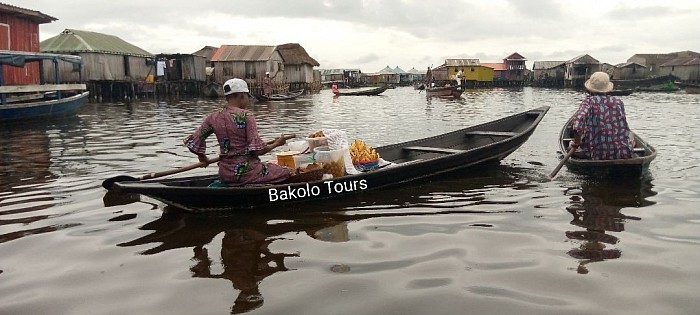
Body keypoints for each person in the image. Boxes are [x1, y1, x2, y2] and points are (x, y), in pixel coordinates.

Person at [184, 78, 293, 186]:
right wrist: (277, 143)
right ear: (241, 95)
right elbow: (257, 151)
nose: (248, 100)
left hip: (225, 174)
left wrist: (202, 157)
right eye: (247, 97)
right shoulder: (246, 116)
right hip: (248, 172)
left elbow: (194, 142)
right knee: (288, 171)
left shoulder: (213, 117)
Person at [570, 72, 634, 160]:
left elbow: (578, 125)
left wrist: (576, 144)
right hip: (622, 153)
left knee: (570, 146)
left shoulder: (589, 102)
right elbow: (623, 125)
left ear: (590, 89)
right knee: (631, 137)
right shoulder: (618, 102)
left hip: (596, 154)